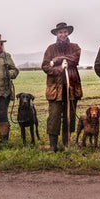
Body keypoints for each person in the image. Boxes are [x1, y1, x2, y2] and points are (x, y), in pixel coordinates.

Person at [42, 22, 83, 152]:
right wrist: (60, 68)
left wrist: (57, 60)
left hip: (71, 87)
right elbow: (45, 66)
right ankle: (53, 146)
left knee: (69, 116)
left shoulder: (75, 47)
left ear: (68, 33)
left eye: (65, 32)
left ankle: (66, 143)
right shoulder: (50, 49)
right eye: (60, 32)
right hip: (55, 89)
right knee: (53, 116)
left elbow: (75, 59)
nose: (63, 34)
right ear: (56, 34)